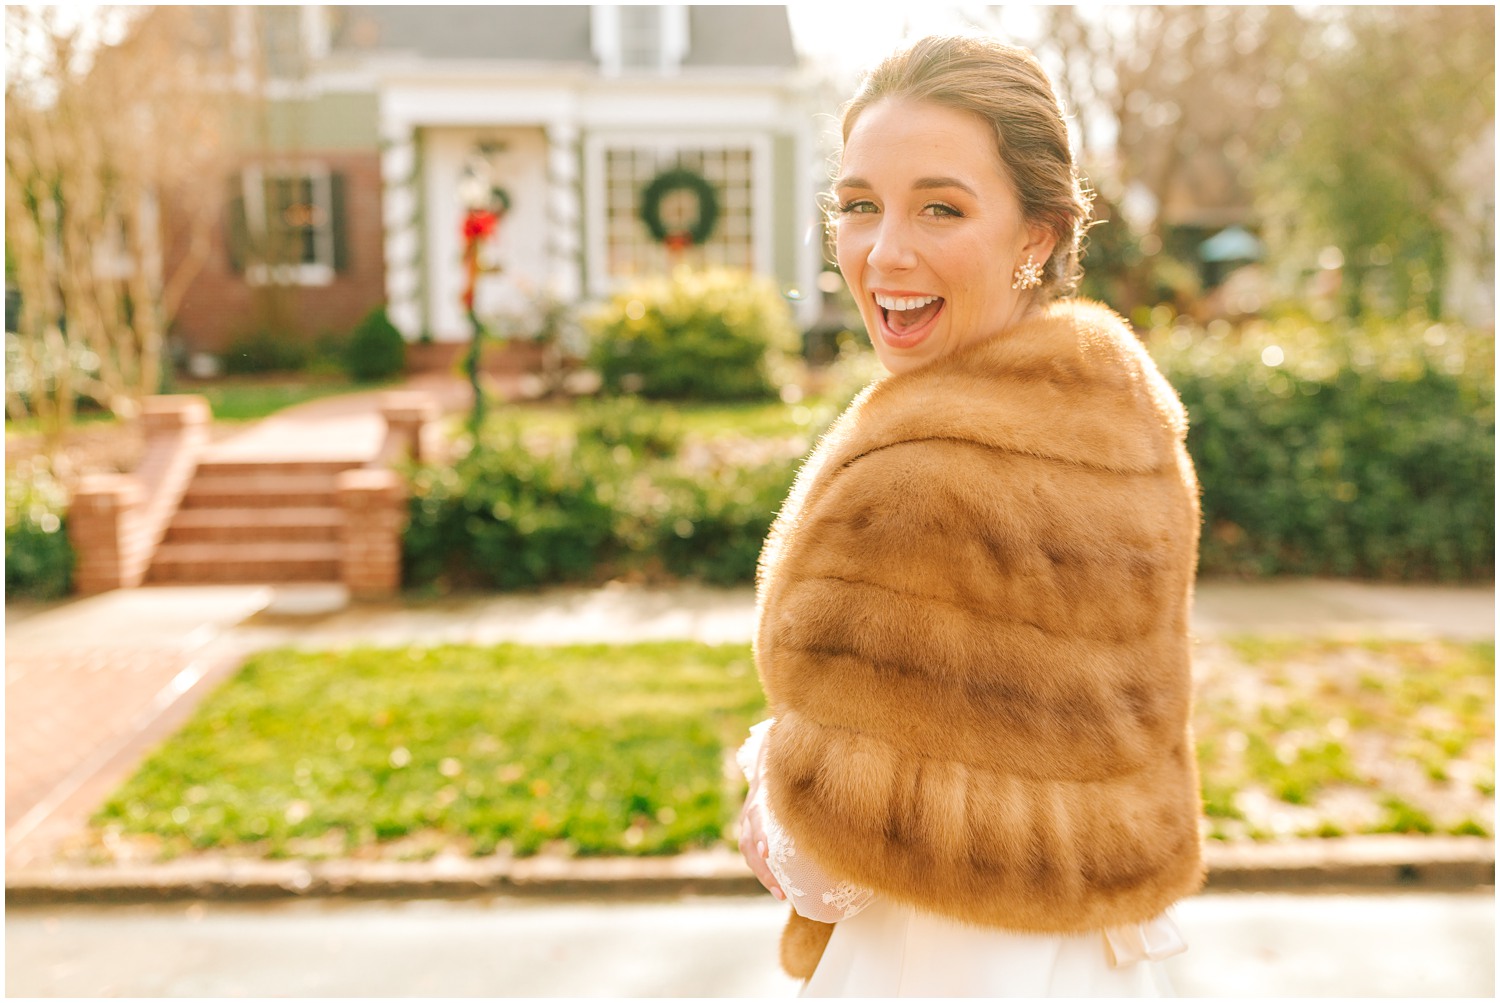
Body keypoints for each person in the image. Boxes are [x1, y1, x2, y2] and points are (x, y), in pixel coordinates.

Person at [738, 33, 1204, 997]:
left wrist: (762, 777)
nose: (885, 251)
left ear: (1036, 235)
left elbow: (826, 856)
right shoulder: (1127, 424)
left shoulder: (917, 482)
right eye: (859, 205)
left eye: (940, 207)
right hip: (1120, 959)